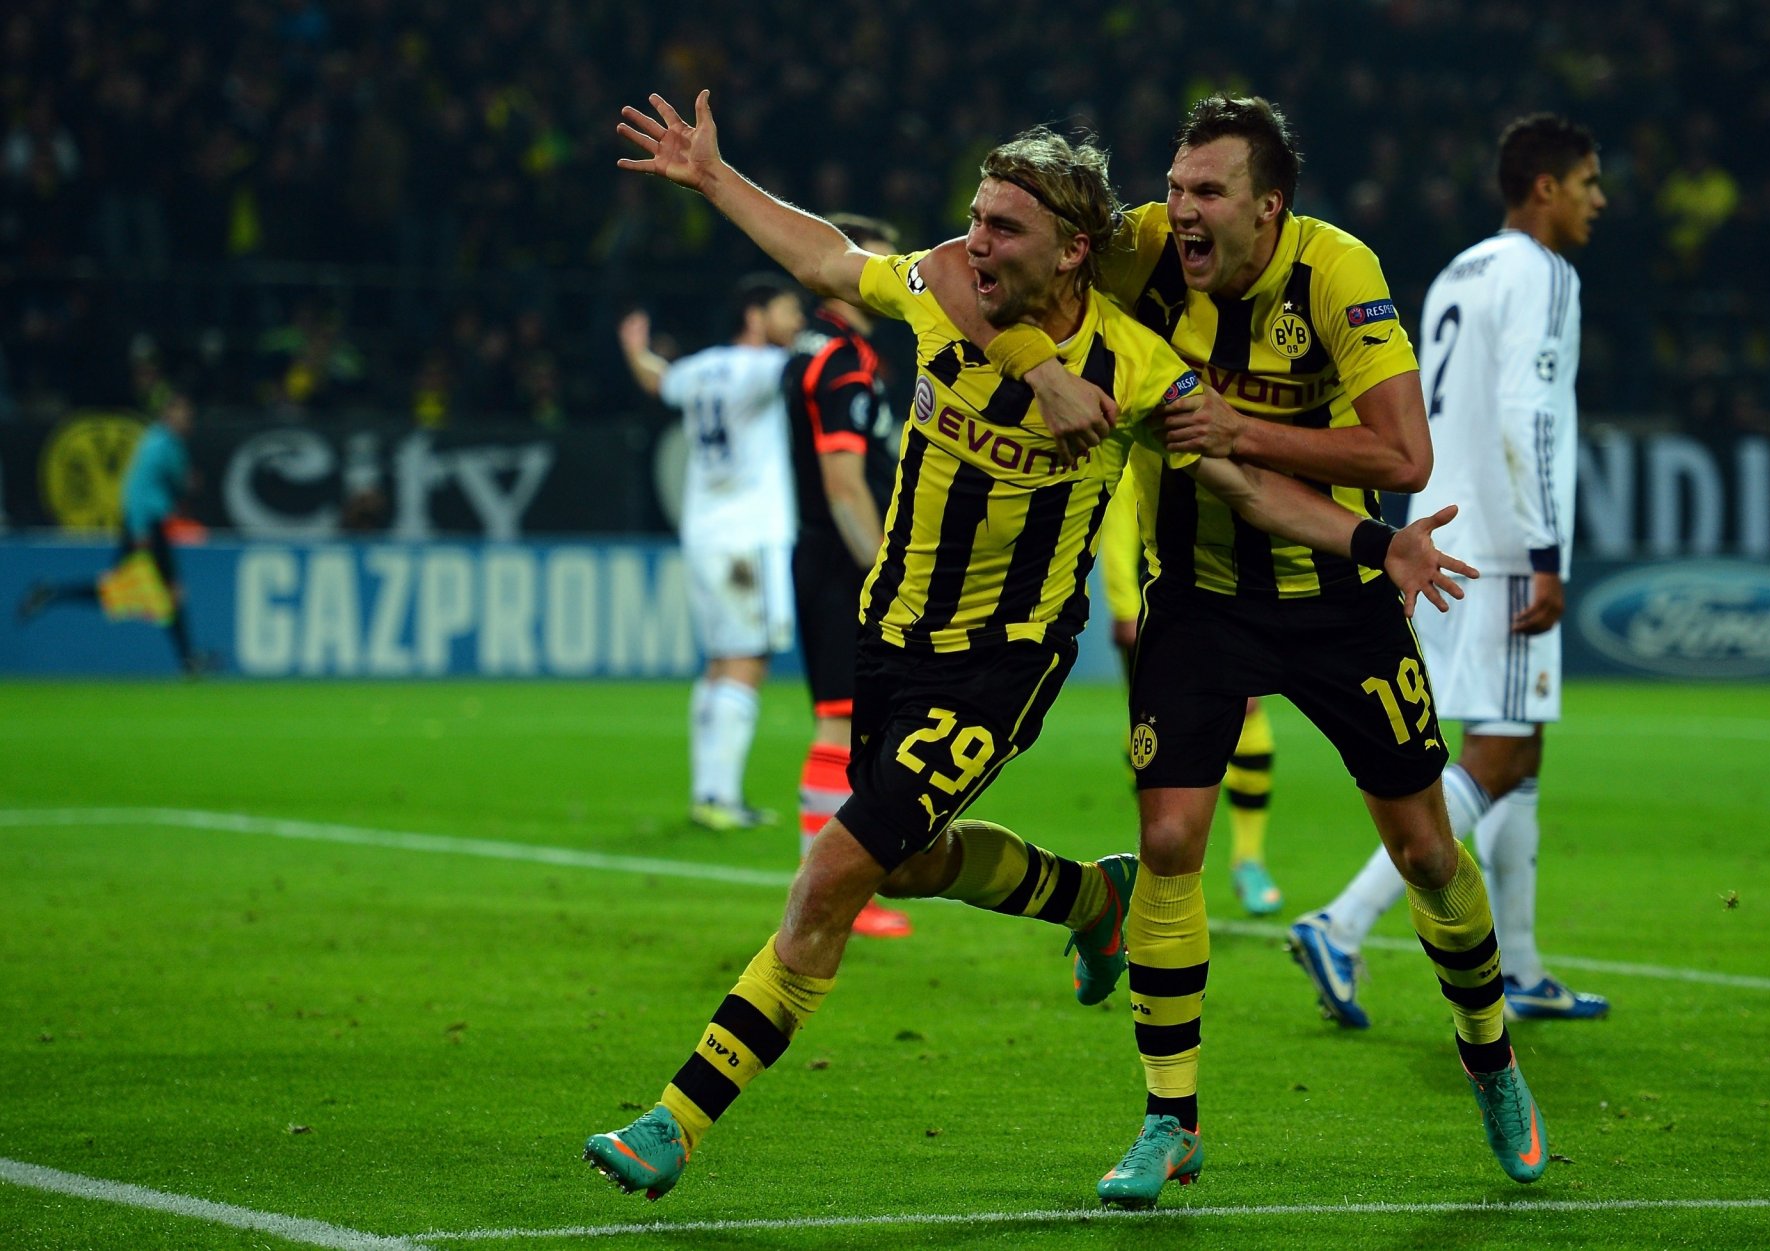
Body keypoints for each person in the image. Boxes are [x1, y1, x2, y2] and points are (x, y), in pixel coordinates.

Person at [581, 89, 1473, 1204]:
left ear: (1073, 250)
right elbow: (827, 260)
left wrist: (1375, 542)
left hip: (1001, 662)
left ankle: (674, 1122)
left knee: (833, 873)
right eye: (974, 216)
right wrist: (714, 178)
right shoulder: (948, 291)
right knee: (907, 859)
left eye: (1003, 225)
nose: (975, 239)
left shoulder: (1138, 370)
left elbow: (1246, 487)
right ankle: (1092, 901)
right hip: (892, 634)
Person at [937, 94, 1550, 1204]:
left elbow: (1403, 456)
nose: (1180, 211)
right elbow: (959, 272)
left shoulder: (1337, 273)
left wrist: (1240, 429)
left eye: (1208, 192)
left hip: (1338, 594)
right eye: (1175, 187)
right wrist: (1037, 361)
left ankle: (1491, 1057)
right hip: (1197, 598)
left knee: (1424, 851)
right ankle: (1169, 1121)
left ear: (1270, 207)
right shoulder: (1133, 245)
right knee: (1169, 838)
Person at [1291, 114, 1611, 1027]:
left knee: (1517, 752)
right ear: (1545, 187)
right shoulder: (1544, 273)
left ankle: (1523, 968)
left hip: (1434, 536)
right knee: (1500, 751)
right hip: (1503, 548)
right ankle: (1341, 922)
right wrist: (1545, 554)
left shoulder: (1459, 273)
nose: (1599, 201)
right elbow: (1528, 414)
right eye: (1588, 182)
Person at [618, 278, 806, 831]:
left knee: (722, 661)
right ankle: (720, 798)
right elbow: (811, 370)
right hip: (751, 535)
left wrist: (635, 351)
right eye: (787, 310)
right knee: (747, 660)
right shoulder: (766, 367)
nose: (796, 322)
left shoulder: (699, 369)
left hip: (703, 531)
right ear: (755, 315)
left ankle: (708, 794)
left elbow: (659, 380)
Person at [785, 211, 913, 939]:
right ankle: (828, 896)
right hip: (842, 560)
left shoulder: (812, 347)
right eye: (877, 265)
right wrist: (881, 568)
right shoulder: (845, 362)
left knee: (845, 718)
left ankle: (827, 887)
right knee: (842, 718)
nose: (888, 281)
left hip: (817, 552)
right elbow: (844, 484)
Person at [1100, 469, 1284, 917]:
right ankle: (1156, 852)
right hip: (1160, 605)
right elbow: (1118, 526)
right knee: (1150, 726)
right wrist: (1124, 606)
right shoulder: (1140, 447)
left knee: (1247, 709)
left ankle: (1249, 860)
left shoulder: (1216, 445)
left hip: (1222, 596)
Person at [18, 394, 209, 673]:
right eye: (182, 415)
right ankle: (188, 659)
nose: (187, 420)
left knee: (126, 592)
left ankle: (52, 592)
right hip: (146, 527)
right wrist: (140, 531)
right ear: (167, 415)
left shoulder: (164, 443)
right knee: (167, 591)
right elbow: (137, 489)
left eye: (188, 415)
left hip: (145, 526)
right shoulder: (160, 444)